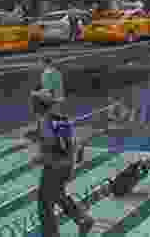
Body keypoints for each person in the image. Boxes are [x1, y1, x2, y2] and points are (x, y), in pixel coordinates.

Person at [30, 88, 94, 237]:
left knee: (44, 204)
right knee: (58, 194)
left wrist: (39, 159)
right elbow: (70, 143)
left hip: (54, 167)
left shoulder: (45, 122)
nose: (31, 105)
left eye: (33, 103)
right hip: (66, 166)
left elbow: (52, 146)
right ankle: (83, 219)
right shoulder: (60, 119)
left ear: (39, 106)